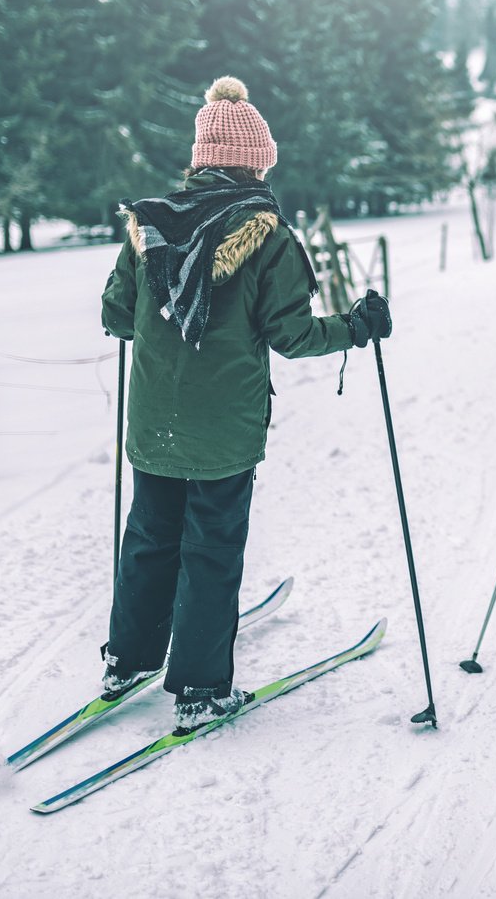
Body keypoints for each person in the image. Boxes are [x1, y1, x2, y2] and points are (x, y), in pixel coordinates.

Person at [98, 76, 393, 734]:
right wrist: (356, 327)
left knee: (150, 537)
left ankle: (128, 657)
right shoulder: (268, 236)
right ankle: (200, 688)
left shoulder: (149, 226)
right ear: (255, 161)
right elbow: (290, 334)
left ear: (201, 159)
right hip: (224, 432)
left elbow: (116, 315)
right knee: (209, 551)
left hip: (154, 424)